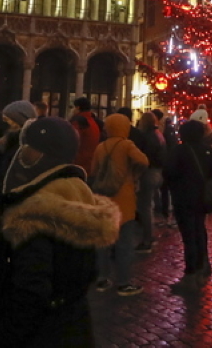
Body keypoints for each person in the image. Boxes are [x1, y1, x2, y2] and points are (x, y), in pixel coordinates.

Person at [0, 117, 118, 347]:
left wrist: (8, 334)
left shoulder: (36, 211)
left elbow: (30, 289)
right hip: (71, 326)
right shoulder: (77, 192)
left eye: (30, 149)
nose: (23, 155)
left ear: (45, 155)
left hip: (39, 334)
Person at [90, 112, 148, 296]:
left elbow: (94, 170)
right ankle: (123, 282)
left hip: (104, 198)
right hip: (124, 198)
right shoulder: (126, 145)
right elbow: (143, 160)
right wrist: (133, 173)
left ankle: (102, 278)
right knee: (124, 242)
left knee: (103, 242)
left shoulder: (101, 147)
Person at [163, 118, 212, 292]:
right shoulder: (207, 150)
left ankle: (191, 273)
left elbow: (169, 172)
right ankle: (203, 266)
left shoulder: (179, 151)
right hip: (201, 198)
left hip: (184, 198)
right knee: (199, 231)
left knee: (189, 235)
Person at [134, 110, 165, 253]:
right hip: (157, 171)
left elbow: (145, 156)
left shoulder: (146, 137)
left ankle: (147, 238)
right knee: (148, 204)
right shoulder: (158, 135)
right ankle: (148, 235)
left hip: (149, 172)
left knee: (144, 205)